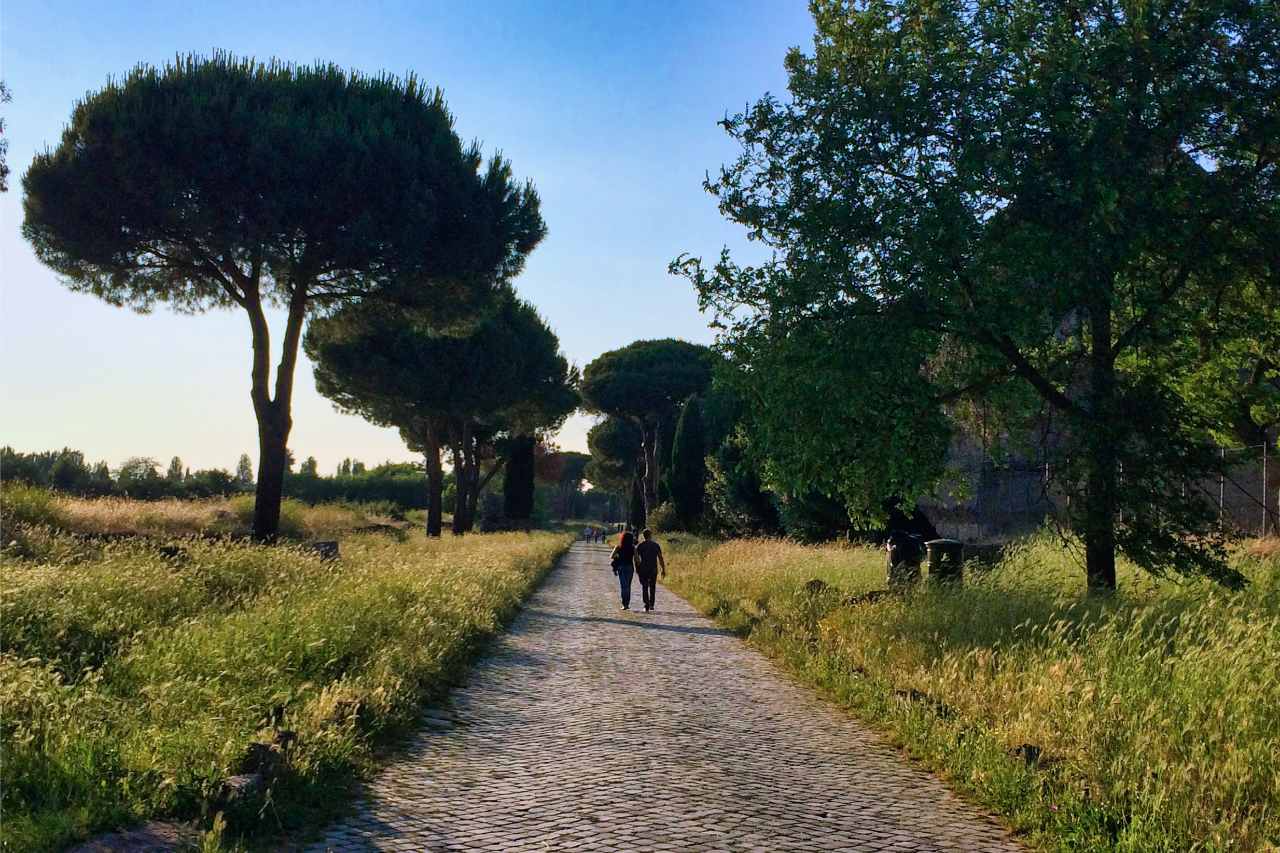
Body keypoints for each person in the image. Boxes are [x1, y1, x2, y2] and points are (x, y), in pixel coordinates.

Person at [633, 528, 666, 612]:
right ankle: (651, 604)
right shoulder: (656, 545)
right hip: (653, 569)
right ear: (650, 535)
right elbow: (660, 558)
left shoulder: (640, 546)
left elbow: (636, 558)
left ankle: (646, 605)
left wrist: (637, 568)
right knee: (652, 586)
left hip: (643, 568)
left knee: (644, 587)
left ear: (643, 536)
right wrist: (663, 569)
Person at [610, 529, 638, 610]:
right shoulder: (633, 547)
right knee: (628, 586)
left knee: (623, 586)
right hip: (630, 567)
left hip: (621, 567)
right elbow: (637, 559)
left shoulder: (618, 547)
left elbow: (611, 556)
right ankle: (627, 603)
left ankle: (624, 604)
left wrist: (618, 557)